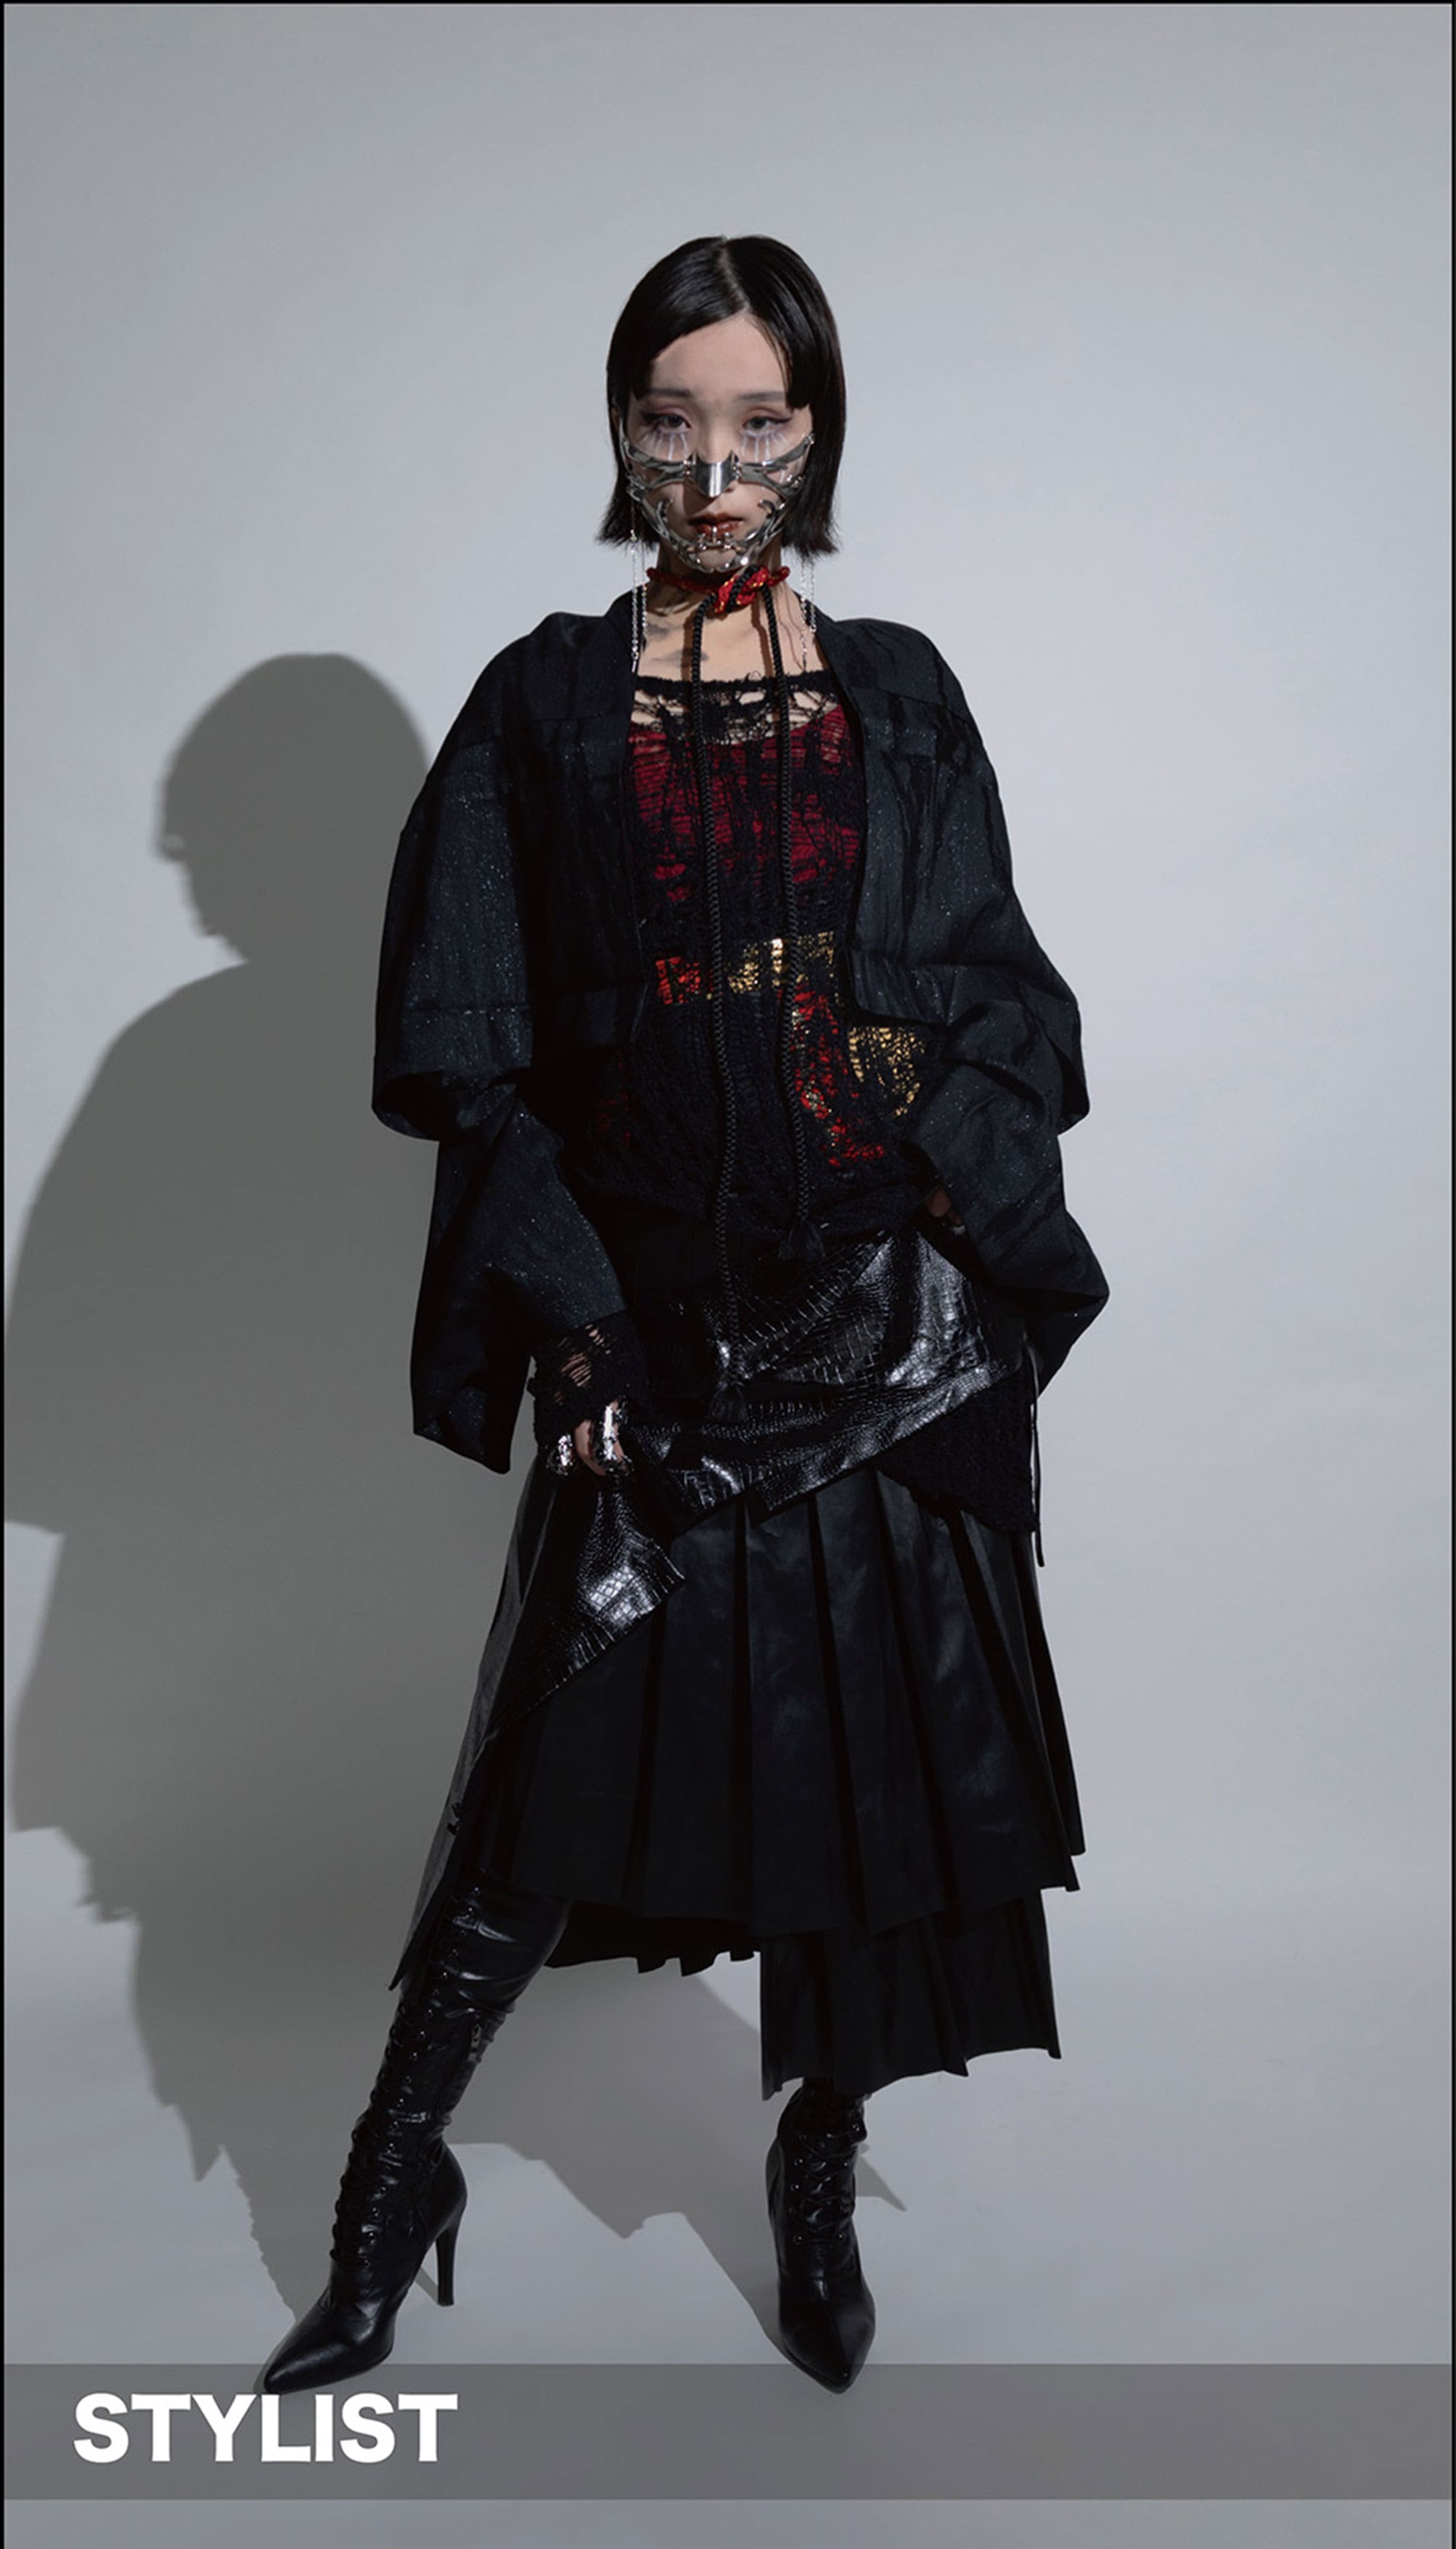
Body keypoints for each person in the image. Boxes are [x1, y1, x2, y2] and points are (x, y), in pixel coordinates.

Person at [258, 234, 1108, 2401]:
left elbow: (996, 997)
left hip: (890, 1322)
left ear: (816, 434)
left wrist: (937, 1193)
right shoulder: (541, 703)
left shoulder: (896, 689)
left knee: (875, 1785)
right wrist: (571, 1327)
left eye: (759, 424)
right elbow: (480, 1053)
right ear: (620, 432)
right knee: (548, 1782)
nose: (714, 471)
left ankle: (813, 2163)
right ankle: (386, 2195)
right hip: (655, 1328)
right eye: (669, 421)